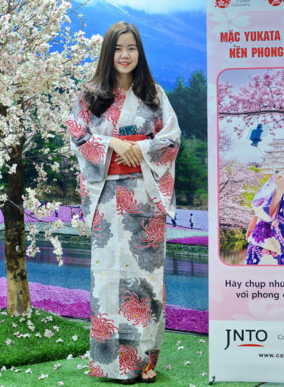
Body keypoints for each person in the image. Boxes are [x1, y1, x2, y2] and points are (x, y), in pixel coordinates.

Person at [67, 21, 180, 383]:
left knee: (144, 280)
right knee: (107, 280)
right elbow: (77, 135)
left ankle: (144, 361)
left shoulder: (154, 96)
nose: (125, 55)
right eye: (118, 48)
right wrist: (112, 143)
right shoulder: (91, 96)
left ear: (139, 52)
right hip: (106, 198)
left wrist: (141, 148)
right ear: (108, 53)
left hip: (144, 196)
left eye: (131, 48)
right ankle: (110, 363)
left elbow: (172, 138)